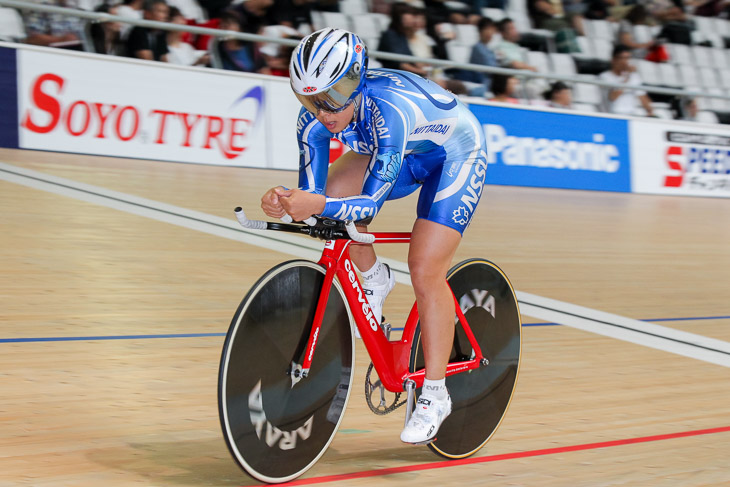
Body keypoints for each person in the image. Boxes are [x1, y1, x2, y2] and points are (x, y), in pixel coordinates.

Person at [261, 28, 489, 445]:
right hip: (391, 150)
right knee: (324, 206)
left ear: (354, 80)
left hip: (454, 156)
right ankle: (374, 277)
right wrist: (286, 200)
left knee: (424, 268)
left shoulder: (390, 110)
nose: (322, 112)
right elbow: (315, 198)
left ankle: (435, 394)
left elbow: (368, 206)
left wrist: (314, 204)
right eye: (309, 100)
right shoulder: (314, 117)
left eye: (329, 98)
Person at [599, 44, 655, 117]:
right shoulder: (604, 77)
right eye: (622, 58)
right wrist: (627, 77)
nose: (625, 62)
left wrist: (650, 111)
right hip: (612, 115)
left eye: (627, 58)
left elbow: (642, 97)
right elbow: (612, 97)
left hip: (632, 115)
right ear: (613, 60)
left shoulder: (634, 76)